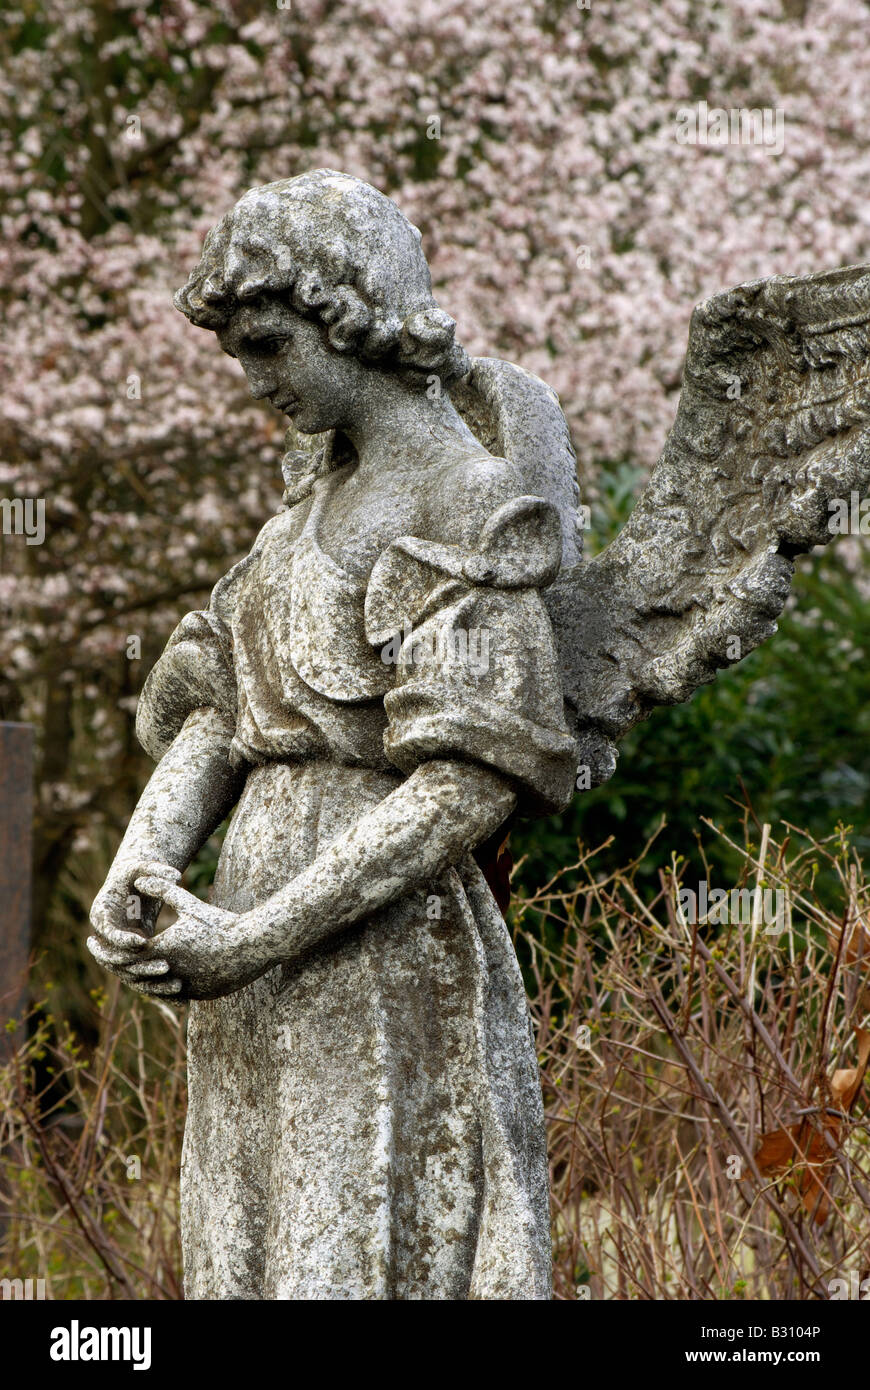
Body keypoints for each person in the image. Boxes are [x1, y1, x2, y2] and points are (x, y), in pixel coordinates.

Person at [88, 170, 576, 1300]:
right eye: (241, 356)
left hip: (375, 951)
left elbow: (462, 785)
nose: (256, 384)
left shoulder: (471, 508)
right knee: (247, 1246)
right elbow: (223, 713)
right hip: (250, 957)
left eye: (269, 347)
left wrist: (257, 933)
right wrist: (146, 860)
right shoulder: (297, 517)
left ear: (350, 315)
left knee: (349, 1254)